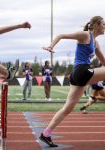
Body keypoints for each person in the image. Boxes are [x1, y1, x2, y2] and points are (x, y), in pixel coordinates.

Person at [39, 16, 105, 147]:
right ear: (97, 25)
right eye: (104, 24)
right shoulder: (85, 35)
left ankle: (46, 134)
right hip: (82, 71)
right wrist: (50, 46)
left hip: (78, 76)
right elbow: (61, 35)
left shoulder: (96, 43)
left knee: (67, 109)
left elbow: (103, 61)